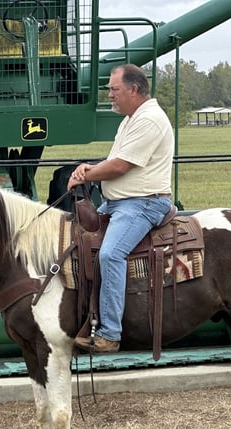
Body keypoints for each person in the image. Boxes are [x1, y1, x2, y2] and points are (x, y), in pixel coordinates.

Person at [68, 63, 175, 353]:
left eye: (114, 90)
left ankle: (110, 334)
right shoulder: (131, 119)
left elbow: (120, 165)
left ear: (134, 89)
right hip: (119, 203)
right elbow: (115, 161)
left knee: (111, 254)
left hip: (143, 203)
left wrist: (84, 175)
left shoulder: (149, 120)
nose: (109, 95)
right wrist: (89, 169)